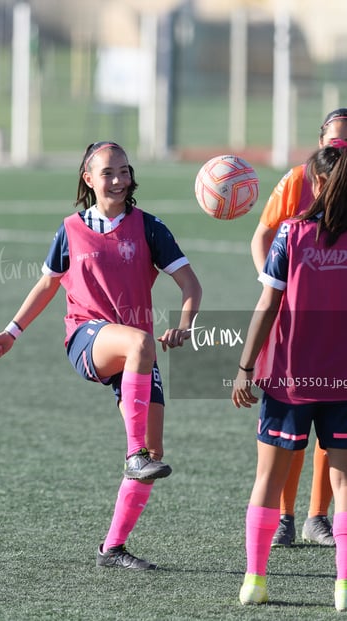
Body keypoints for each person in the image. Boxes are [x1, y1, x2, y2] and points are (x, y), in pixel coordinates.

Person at [0, 141, 202, 570]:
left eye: (124, 171)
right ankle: (133, 453)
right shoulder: (70, 229)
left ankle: (112, 548)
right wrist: (12, 332)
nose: (118, 180)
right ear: (88, 178)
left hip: (135, 353)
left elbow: (192, 286)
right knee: (139, 343)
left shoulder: (150, 227)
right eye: (107, 173)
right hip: (87, 337)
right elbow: (47, 285)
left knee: (154, 454)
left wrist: (186, 323)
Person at [232, 143, 347, 610]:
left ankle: (255, 580)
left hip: (292, 381)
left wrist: (244, 367)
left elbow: (267, 305)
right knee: (344, 485)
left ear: (315, 184)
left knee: (268, 479)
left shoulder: (292, 234)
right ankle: (343, 588)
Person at [250, 107, 347, 547]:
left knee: (332, 432)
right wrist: (275, 282)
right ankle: (286, 515)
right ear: (321, 139)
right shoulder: (297, 179)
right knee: (292, 432)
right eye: (335, 140)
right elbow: (263, 235)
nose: (341, 148)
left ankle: (318, 516)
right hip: (296, 327)